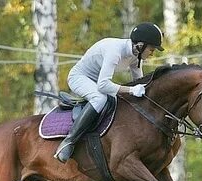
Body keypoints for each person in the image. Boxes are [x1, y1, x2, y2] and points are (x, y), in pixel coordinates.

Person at [54, 22, 165, 163]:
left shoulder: (136, 56)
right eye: (151, 49)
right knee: (100, 99)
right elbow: (103, 85)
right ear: (141, 45)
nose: (152, 53)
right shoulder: (115, 51)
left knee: (118, 100)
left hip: (97, 81)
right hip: (79, 78)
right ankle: (69, 141)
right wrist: (131, 90)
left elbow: (139, 81)